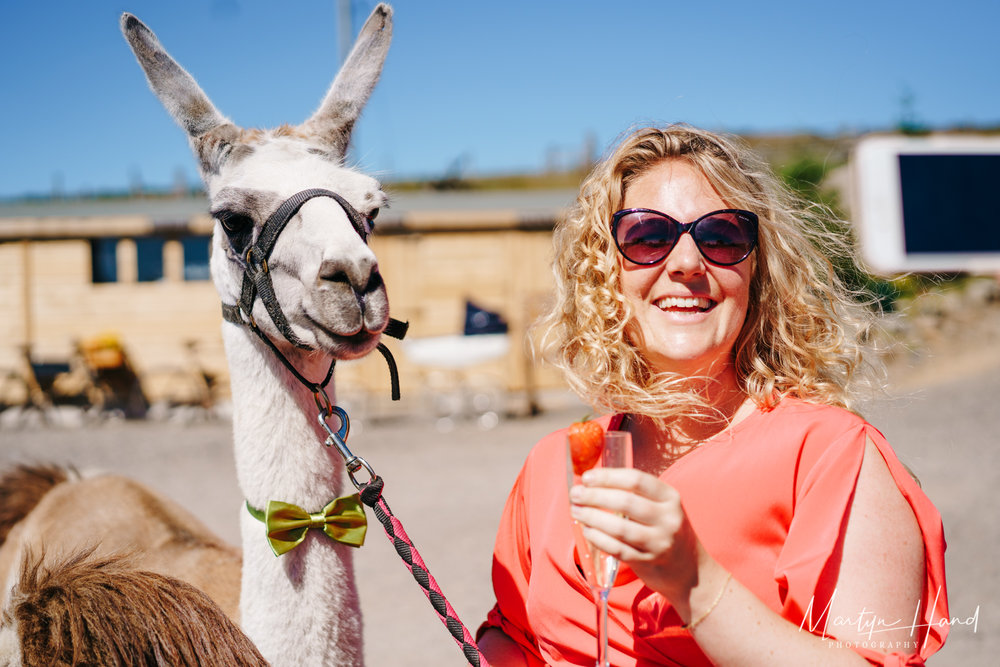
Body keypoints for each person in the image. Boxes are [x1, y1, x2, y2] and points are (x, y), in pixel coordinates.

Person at [477, 124, 948, 666]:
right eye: (648, 235)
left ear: (758, 270)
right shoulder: (552, 466)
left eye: (722, 236)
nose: (685, 263)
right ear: (605, 268)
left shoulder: (830, 456)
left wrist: (692, 581)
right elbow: (512, 636)